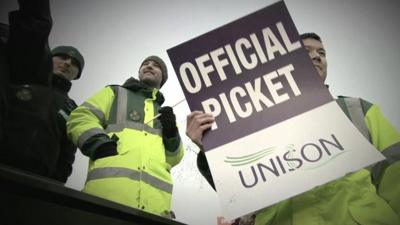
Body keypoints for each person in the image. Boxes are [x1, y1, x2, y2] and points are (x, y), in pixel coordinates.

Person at [187, 32, 400, 225]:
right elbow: (241, 195)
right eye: (305, 51)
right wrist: (211, 147)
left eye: (322, 52)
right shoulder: (253, 125)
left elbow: (395, 176)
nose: (317, 56)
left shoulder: (357, 109)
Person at [67, 55, 184, 217]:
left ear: (163, 77)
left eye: (156, 66)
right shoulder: (114, 93)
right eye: (145, 64)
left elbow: (174, 158)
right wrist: (99, 144)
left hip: (155, 210)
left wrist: (172, 133)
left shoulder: (165, 115)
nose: (149, 66)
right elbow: (81, 117)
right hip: (104, 200)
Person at [0, 0, 84, 184]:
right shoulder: (19, 75)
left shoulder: (73, 109)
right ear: (49, 57)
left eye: (74, 64)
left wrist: (56, 182)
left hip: (37, 180)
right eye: (62, 57)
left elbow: (68, 152)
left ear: (77, 74)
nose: (68, 63)